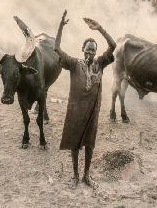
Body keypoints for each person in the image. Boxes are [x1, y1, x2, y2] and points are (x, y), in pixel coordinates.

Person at [54, 10, 116, 188]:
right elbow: (57, 49)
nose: (90, 53)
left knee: (90, 144)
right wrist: (60, 26)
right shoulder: (74, 64)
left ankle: (86, 176)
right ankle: (75, 175)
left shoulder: (100, 63)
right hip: (76, 111)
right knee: (74, 143)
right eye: (88, 49)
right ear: (82, 50)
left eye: (93, 50)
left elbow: (113, 46)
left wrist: (100, 29)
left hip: (92, 112)